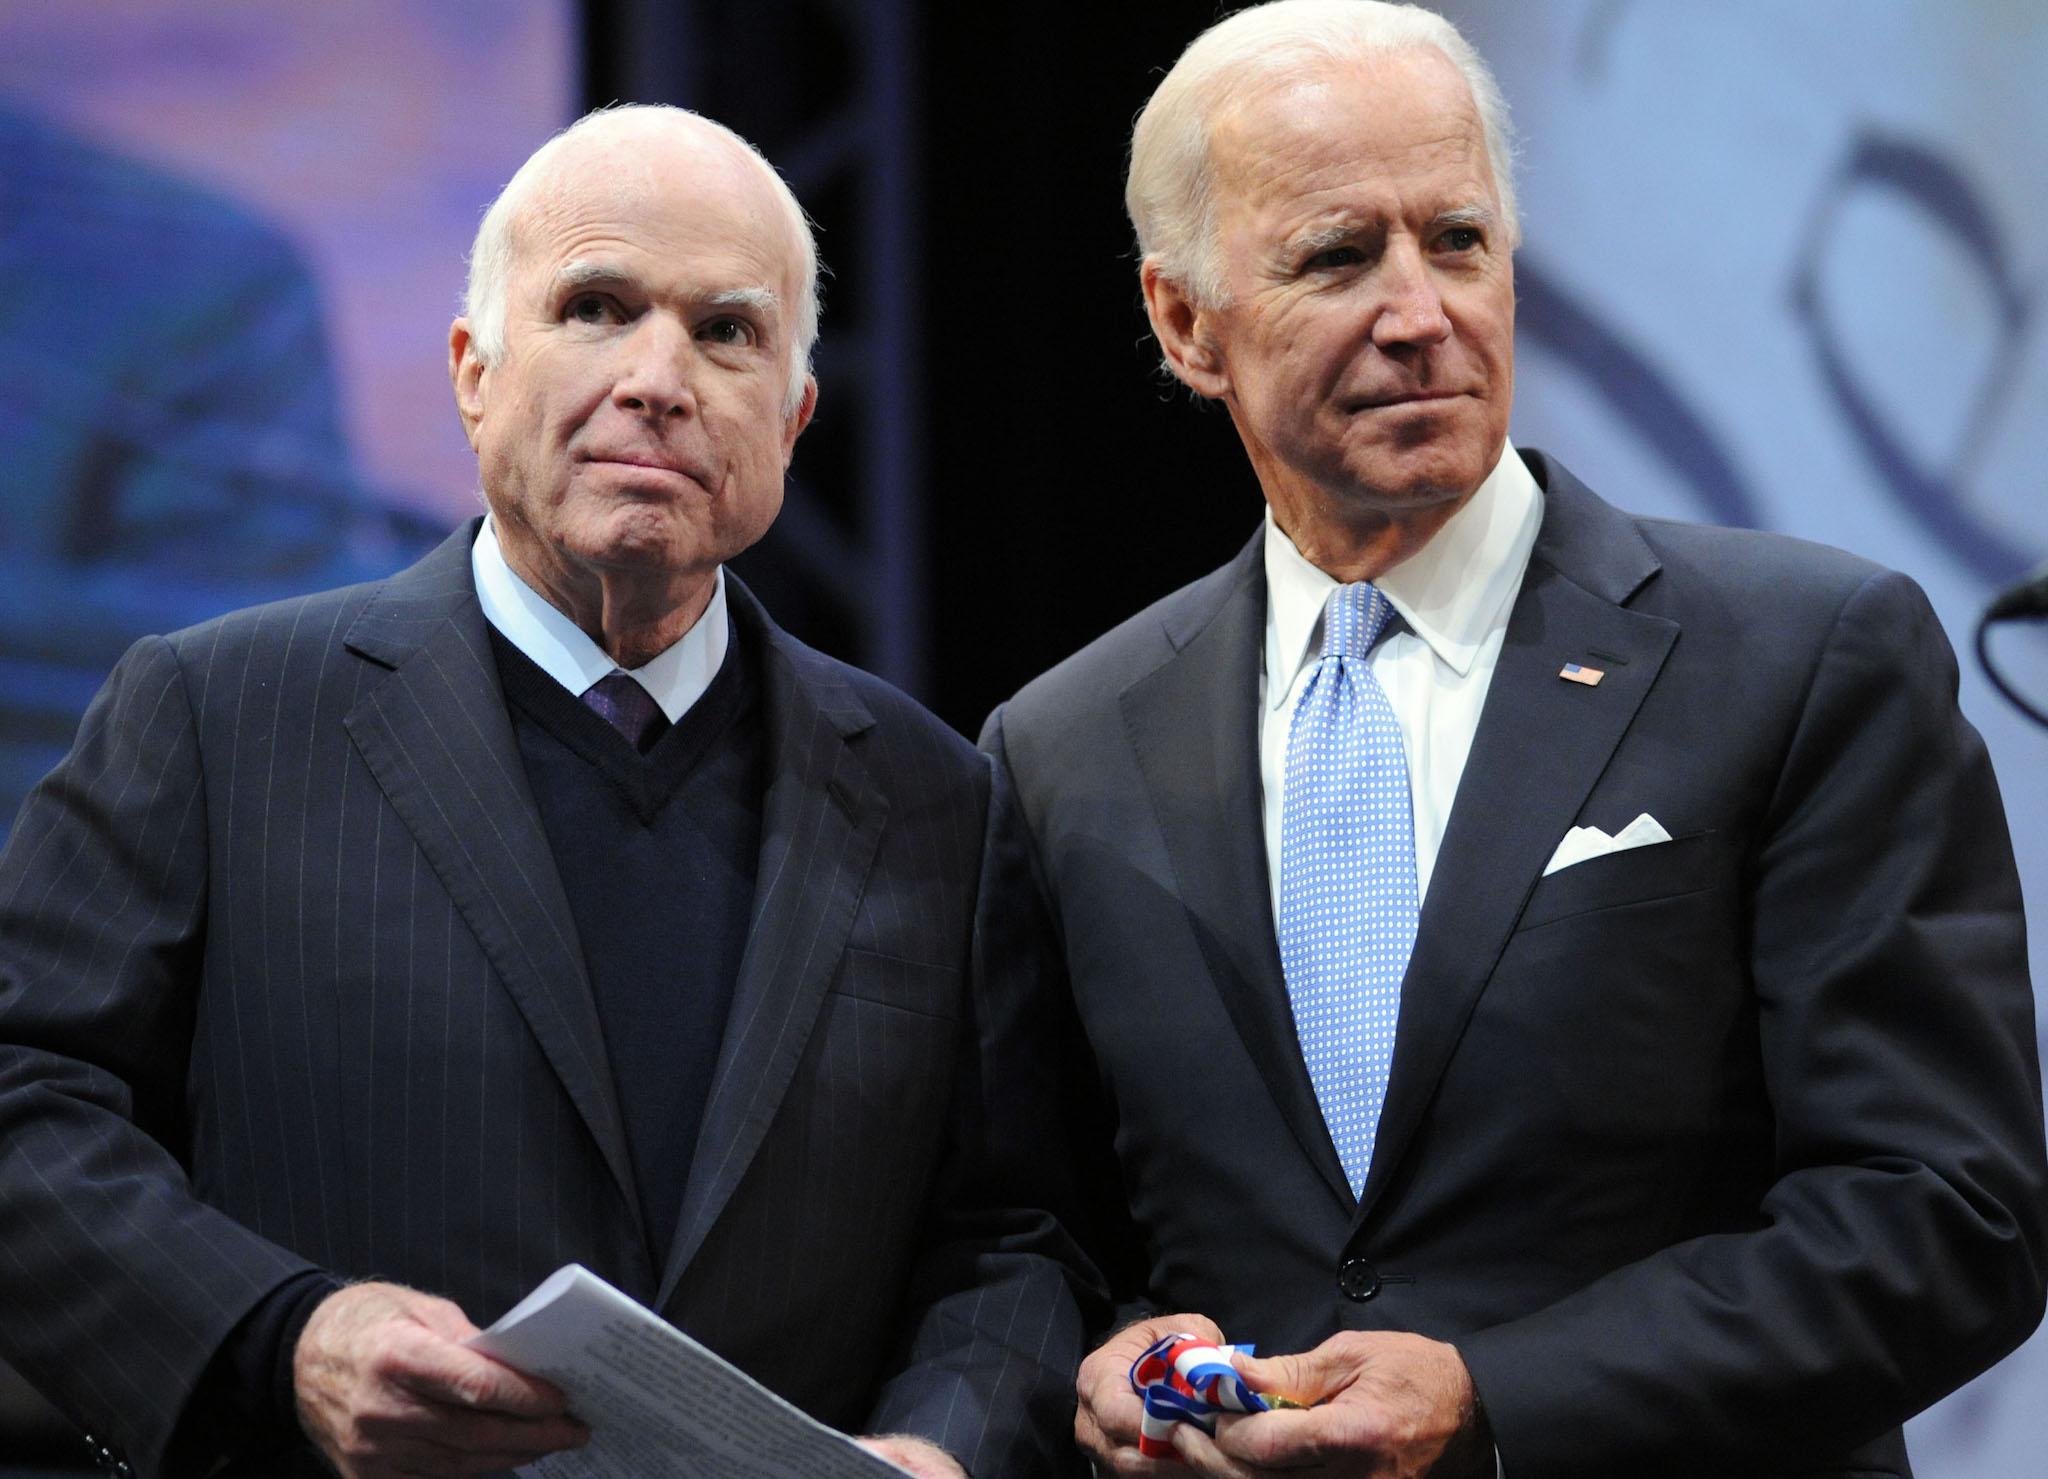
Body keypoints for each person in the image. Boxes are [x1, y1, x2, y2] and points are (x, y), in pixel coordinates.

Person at [977, 4, 2048, 1476]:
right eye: (1340, 256)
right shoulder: (1064, 745)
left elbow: (1946, 1214)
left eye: (1461, 241)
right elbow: (1035, 1235)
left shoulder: (1806, 656)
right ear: (1185, 322)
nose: (1422, 313)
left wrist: (1495, 1399)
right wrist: (1112, 1348)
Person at [0, 105, 1088, 1479]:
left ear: (796, 416)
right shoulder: (219, 718)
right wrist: (285, 1341)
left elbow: (1012, 1234)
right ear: (471, 373)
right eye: (595, 307)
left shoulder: (938, 796)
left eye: (728, 332)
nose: (658, 376)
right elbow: (22, 1099)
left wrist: (948, 1448)